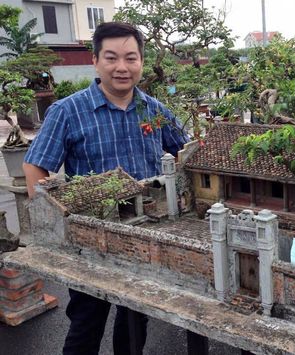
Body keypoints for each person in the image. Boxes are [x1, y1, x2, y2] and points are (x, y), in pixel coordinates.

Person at [23, 22, 188, 355]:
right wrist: (53, 223)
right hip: (91, 241)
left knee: (135, 321)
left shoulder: (153, 110)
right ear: (96, 61)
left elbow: (184, 152)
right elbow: (35, 166)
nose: (122, 67)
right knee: (87, 321)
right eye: (111, 58)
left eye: (131, 58)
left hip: (143, 236)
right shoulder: (67, 111)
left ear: (141, 61)